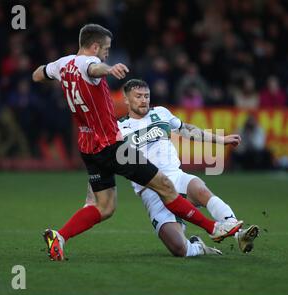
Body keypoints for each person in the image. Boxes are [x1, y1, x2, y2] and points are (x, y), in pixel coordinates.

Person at [32, 24, 243, 261]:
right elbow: (93, 68)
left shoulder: (62, 64)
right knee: (164, 185)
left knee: (104, 207)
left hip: (88, 147)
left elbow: (38, 73)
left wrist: (48, 75)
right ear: (94, 47)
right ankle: (213, 228)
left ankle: (59, 236)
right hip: (111, 145)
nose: (107, 53)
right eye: (106, 49)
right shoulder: (86, 63)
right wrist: (109, 69)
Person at [85, 79, 260, 257]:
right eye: (138, 96)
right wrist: (92, 194)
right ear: (127, 100)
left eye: (146, 96)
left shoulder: (161, 113)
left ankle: (239, 233)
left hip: (176, 176)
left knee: (200, 189)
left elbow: (187, 130)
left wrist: (220, 140)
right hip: (151, 191)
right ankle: (198, 247)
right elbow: (105, 163)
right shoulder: (118, 129)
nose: (144, 100)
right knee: (178, 249)